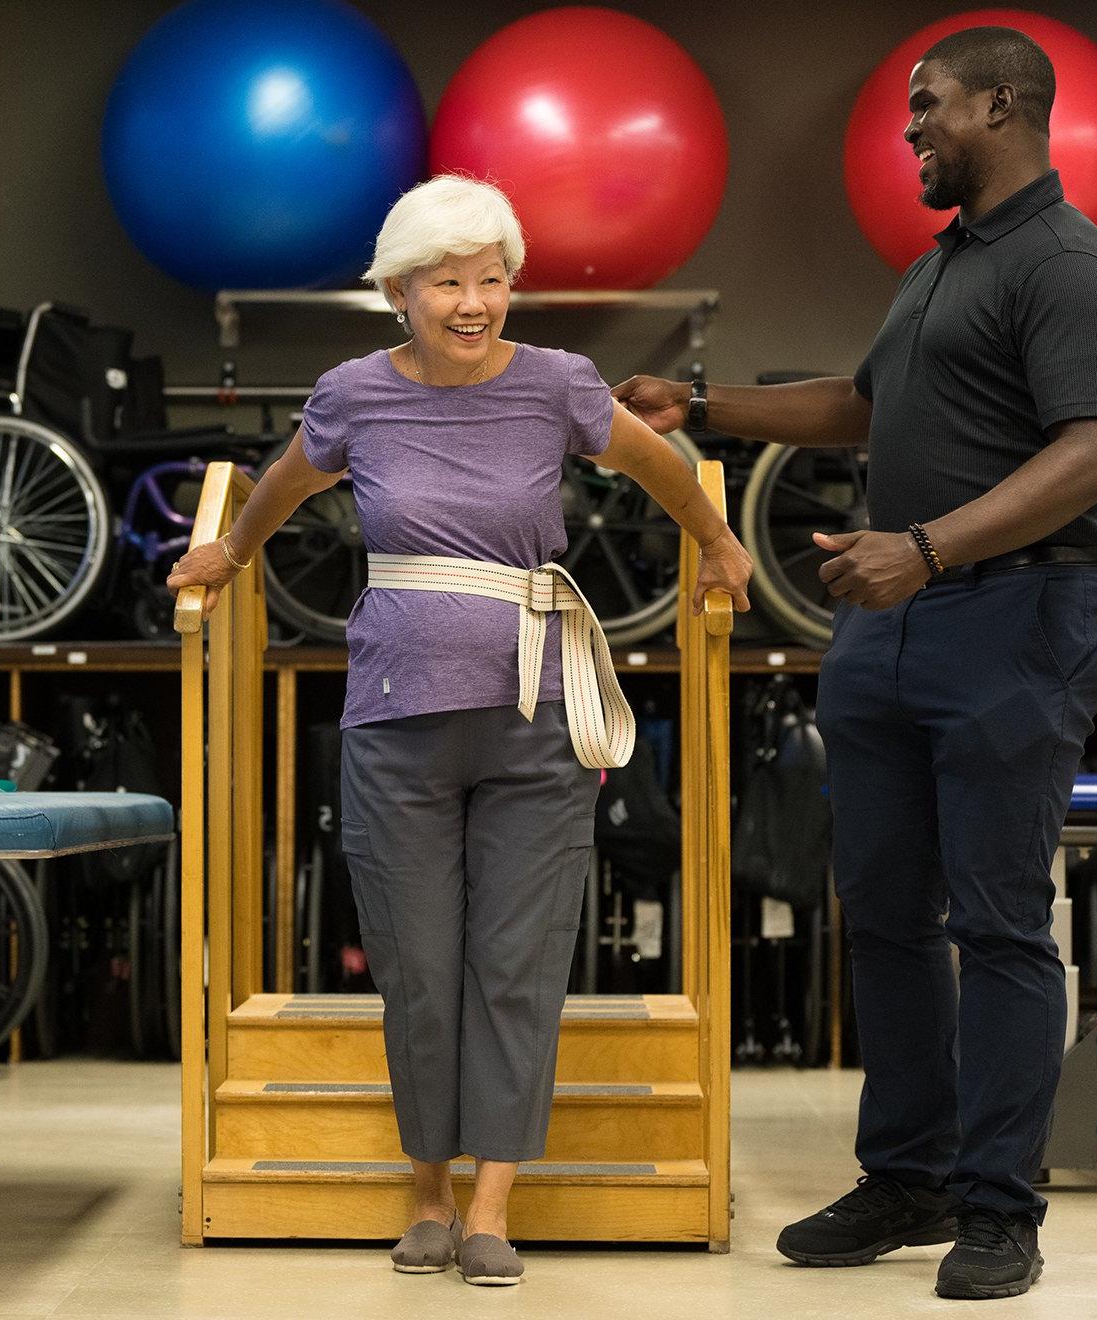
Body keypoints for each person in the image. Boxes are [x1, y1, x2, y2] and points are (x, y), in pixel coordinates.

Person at [617, 24, 1097, 1304]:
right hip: (894, 629)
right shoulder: (938, 268)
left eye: (928, 106)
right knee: (888, 918)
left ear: (1001, 104)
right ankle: (906, 1176)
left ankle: (999, 1210)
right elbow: (864, 404)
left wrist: (924, 548)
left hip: (1016, 617)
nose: (909, 128)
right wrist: (705, 406)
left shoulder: (1068, 265)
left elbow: (1090, 453)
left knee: (1002, 922)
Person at [169, 174, 752, 1287]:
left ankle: (491, 1203)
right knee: (417, 967)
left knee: (517, 966)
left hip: (535, 717)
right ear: (399, 291)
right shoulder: (352, 395)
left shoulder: (559, 388)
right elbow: (284, 485)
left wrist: (717, 542)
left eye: (491, 279)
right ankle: (426, 1193)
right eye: (448, 282)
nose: (474, 301)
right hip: (394, 718)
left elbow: (659, 464)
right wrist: (229, 553)